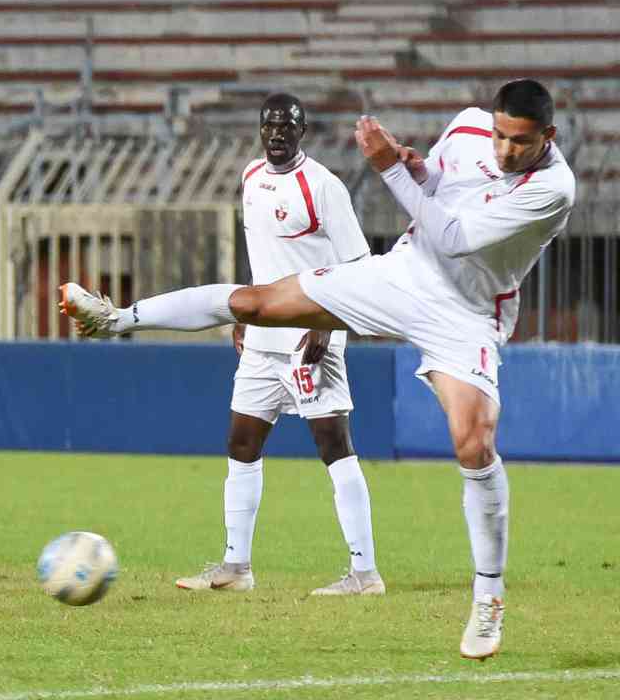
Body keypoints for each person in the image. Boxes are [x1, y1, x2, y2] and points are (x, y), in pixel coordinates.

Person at [60, 79, 574, 660]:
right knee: (256, 303)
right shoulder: (467, 126)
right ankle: (115, 318)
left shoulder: (553, 188)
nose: (505, 151)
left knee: (473, 444)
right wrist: (415, 165)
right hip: (402, 275)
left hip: (467, 313)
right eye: (500, 137)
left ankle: (488, 598)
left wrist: (388, 169)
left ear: (547, 137)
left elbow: (454, 236)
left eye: (520, 143)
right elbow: (440, 180)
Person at [173, 93, 383, 598]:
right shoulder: (251, 178)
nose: (277, 134)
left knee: (334, 446)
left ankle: (365, 573)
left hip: (312, 334)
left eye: (286, 126)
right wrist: (249, 310)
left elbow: (358, 266)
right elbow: (263, 257)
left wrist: (328, 326)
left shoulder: (324, 186)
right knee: (241, 443)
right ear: (259, 129)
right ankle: (236, 566)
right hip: (264, 338)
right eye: (269, 125)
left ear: (302, 131)